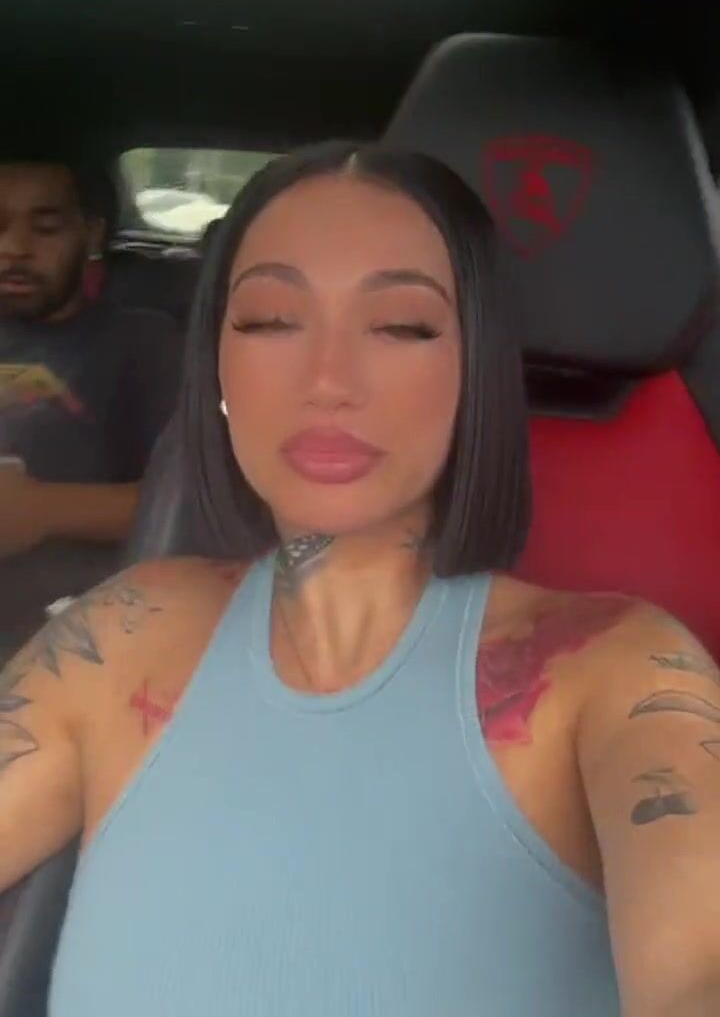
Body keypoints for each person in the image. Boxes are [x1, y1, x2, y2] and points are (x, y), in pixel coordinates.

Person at [1, 141, 719, 1017]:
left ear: (475, 368)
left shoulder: (619, 672)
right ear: (216, 365)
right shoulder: (121, 635)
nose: (328, 380)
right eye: (271, 320)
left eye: (402, 326)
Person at [0, 151, 181, 652]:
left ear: (92, 235)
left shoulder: (142, 342)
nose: (14, 248)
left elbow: (191, 499)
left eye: (46, 228)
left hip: (62, 625)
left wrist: (40, 510)